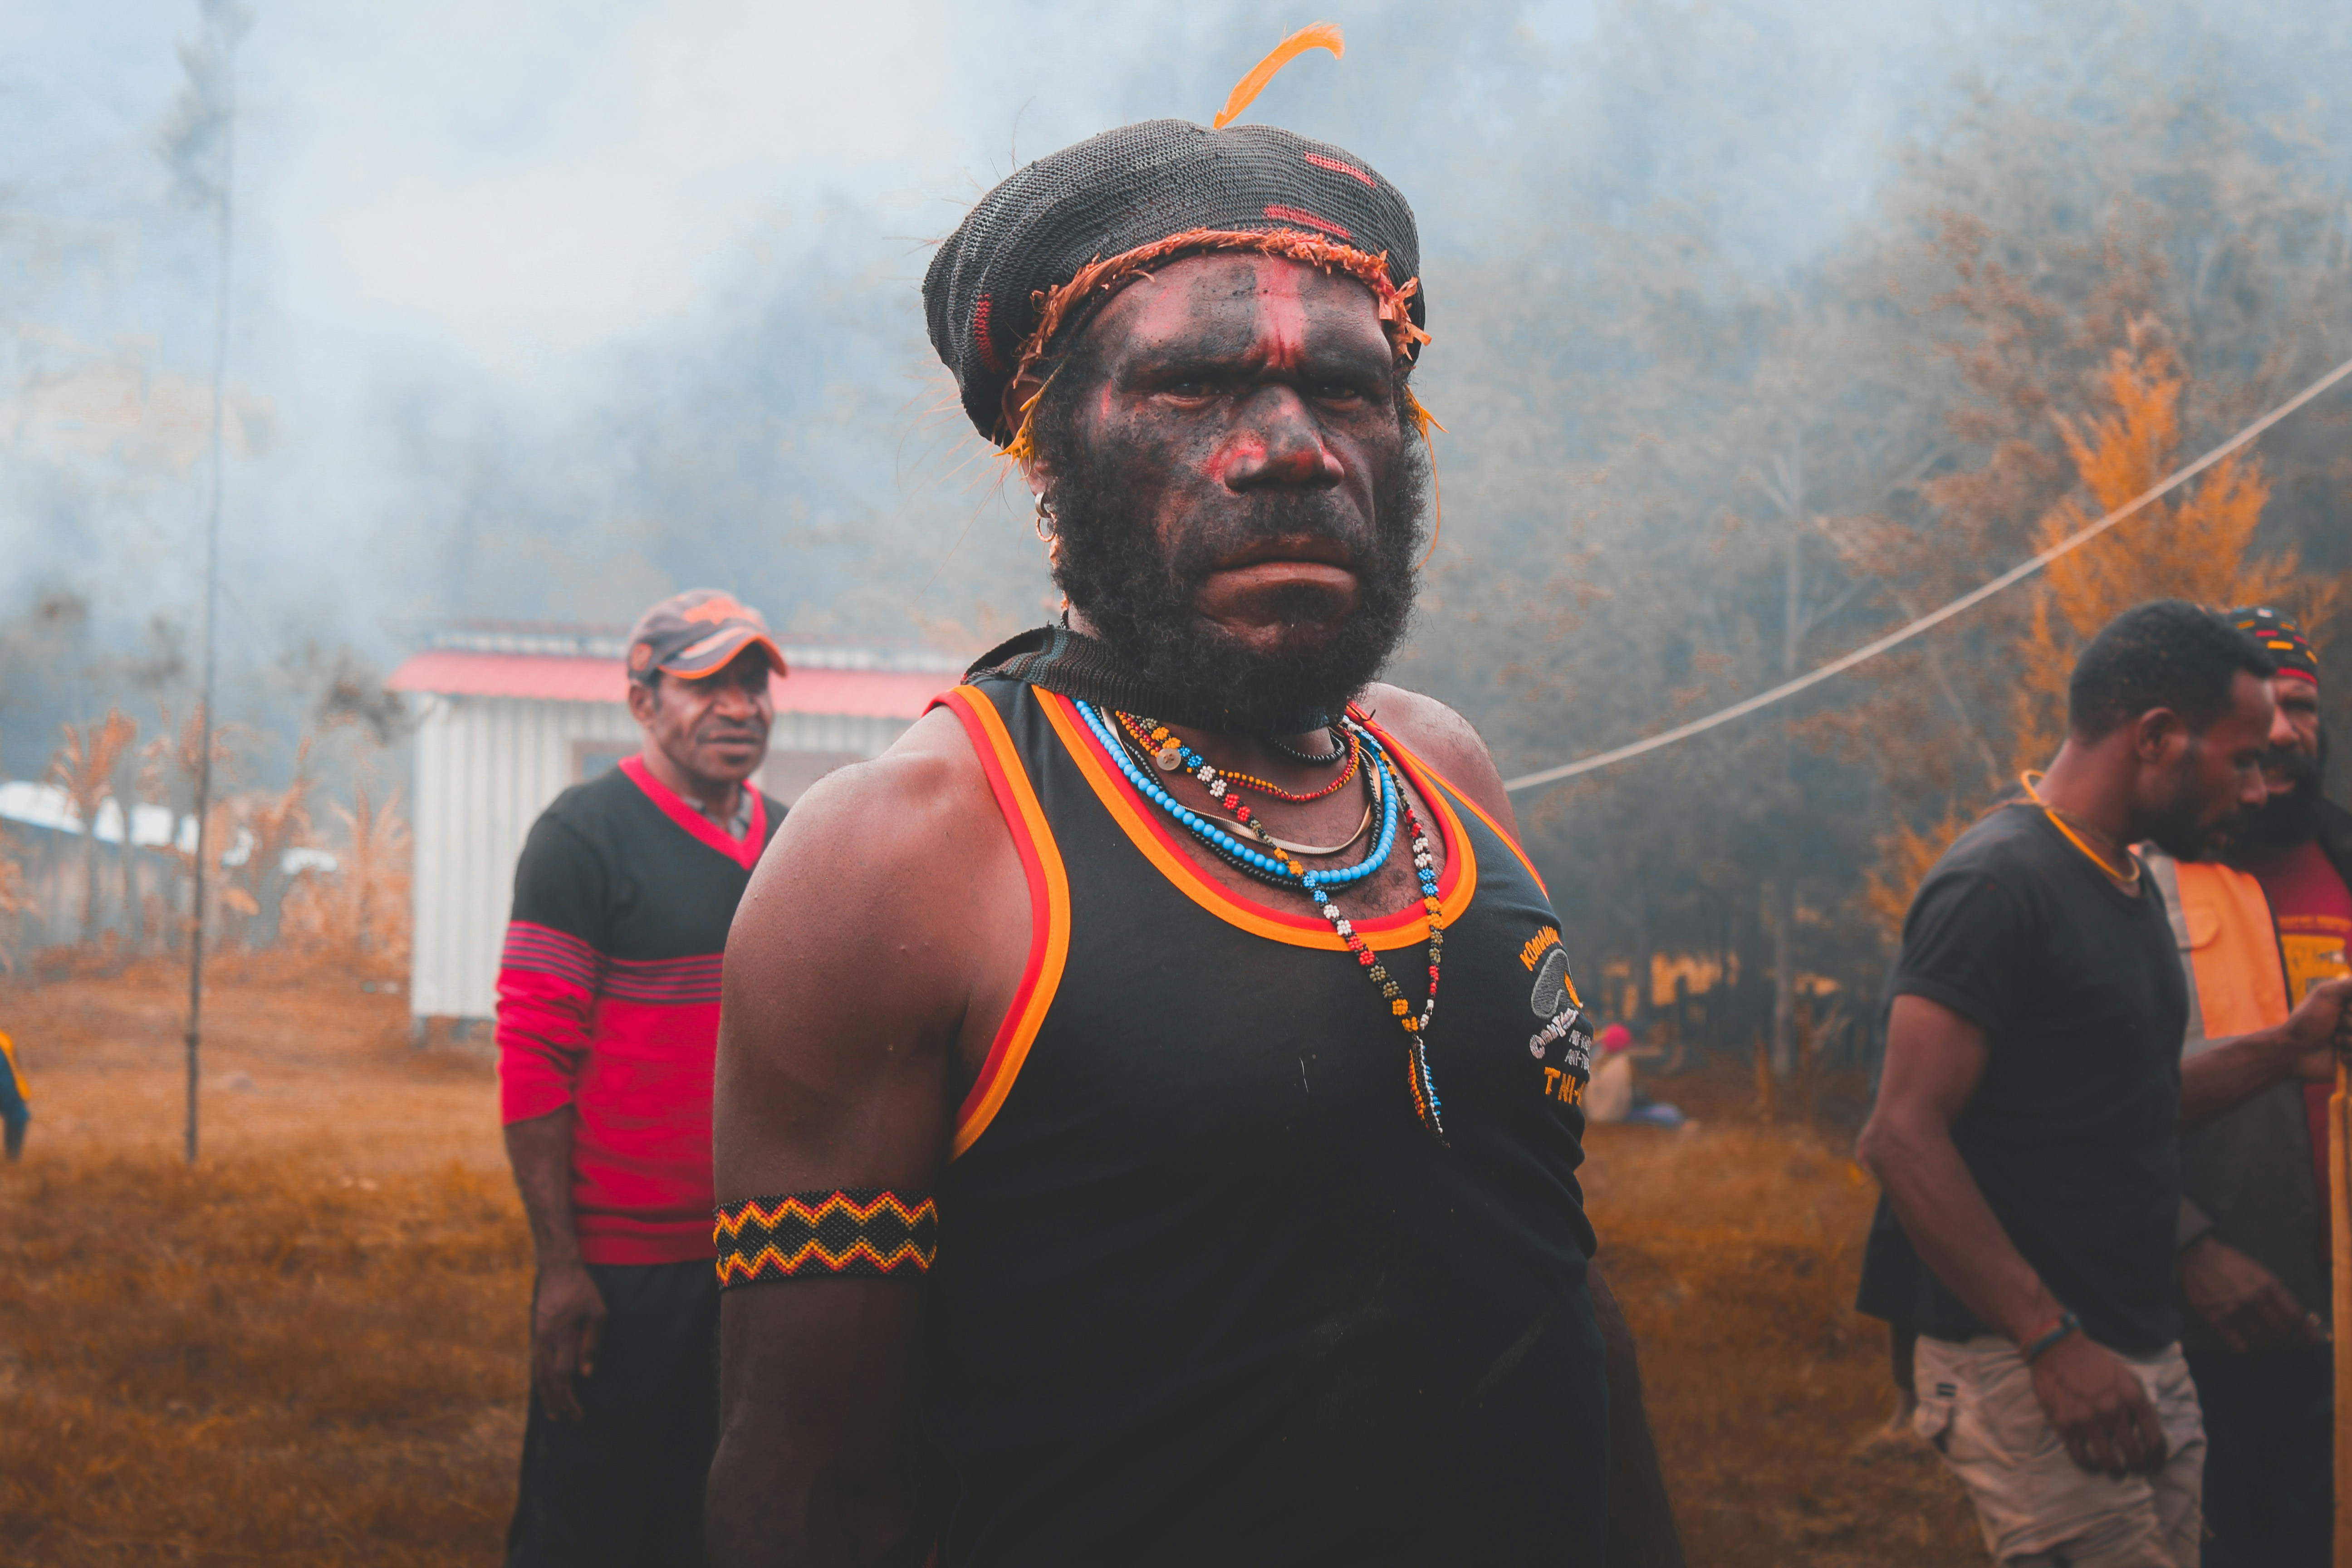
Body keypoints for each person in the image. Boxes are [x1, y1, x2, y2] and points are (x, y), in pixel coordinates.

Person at [706, 113, 1684, 1567]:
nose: (1291, 450)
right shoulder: (913, 856)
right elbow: (810, 1488)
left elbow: (1545, 1268)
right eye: (1190, 387)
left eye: (1351, 390)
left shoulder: (1443, 777)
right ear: (1049, 455)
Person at [1855, 599, 2352, 1568]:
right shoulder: (1999, 884)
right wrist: (2052, 1344)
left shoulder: (2117, 879)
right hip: (2030, 1355)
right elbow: (1902, 1138)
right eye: (2241, 759)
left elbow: (2126, 1107)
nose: (2259, 790)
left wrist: (2289, 1045)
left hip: (2137, 1347)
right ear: (2158, 738)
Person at [497, 588, 787, 1568]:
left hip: (763, 1260)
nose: (740, 706)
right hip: (627, 1267)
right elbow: (533, 1056)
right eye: (707, 684)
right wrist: (562, 1265)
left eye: (753, 683)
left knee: (732, 1516)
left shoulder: (797, 845)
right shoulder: (583, 838)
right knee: (594, 1527)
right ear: (641, 701)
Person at [2139, 608, 2347, 1568]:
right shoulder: (2134, 874)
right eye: (2263, 709)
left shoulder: (2345, 858)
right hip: (2199, 1318)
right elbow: (2070, 1098)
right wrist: (2187, 1247)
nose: (2285, 732)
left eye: (2302, 706)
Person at [1586, 1023, 1685, 1127]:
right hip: (1615, 1116)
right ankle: (1683, 1125)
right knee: (1670, 1113)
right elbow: (1636, 1097)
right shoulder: (1623, 1064)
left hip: (1595, 1114)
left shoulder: (1597, 1058)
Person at [0, 1026, 28, 1161]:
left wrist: (22, 1091)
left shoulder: (4, 1041)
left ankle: (12, 1158)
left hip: (10, 1091)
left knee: (19, 1116)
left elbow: (15, 1071)